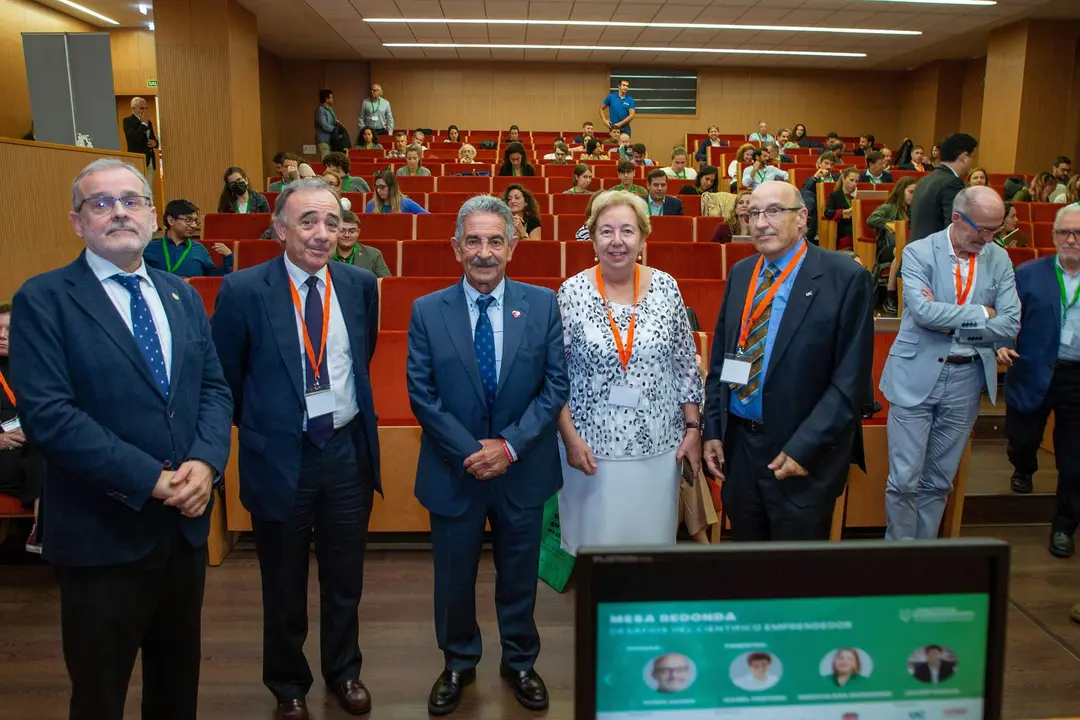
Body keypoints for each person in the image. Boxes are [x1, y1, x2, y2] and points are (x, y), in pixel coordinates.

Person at [9, 158, 233, 720]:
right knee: (99, 694)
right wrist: (153, 480)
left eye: (131, 201)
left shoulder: (180, 293)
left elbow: (213, 388)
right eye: (100, 203)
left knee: (175, 686)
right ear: (77, 221)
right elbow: (50, 417)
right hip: (101, 532)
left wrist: (205, 464)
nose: (118, 213)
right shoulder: (45, 299)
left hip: (183, 529)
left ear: (153, 217)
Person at [211, 178, 382, 720]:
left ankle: (344, 670)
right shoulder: (242, 290)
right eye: (308, 221)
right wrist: (270, 427)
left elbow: (362, 357)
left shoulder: (358, 286)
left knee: (344, 578)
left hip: (346, 452)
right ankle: (287, 683)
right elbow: (225, 379)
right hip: (279, 456)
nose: (321, 233)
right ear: (279, 227)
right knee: (282, 583)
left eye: (332, 222)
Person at [406, 195, 568, 715]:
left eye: (495, 241)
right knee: (453, 577)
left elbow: (555, 386)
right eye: (473, 241)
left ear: (513, 246)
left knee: (519, 575)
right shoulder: (428, 310)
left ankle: (520, 660)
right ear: (456, 247)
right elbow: (421, 393)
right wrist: (471, 451)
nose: (484, 252)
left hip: (521, 469)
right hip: (455, 471)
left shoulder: (542, 304)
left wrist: (510, 447)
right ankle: (458, 661)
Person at [702, 181, 874, 541]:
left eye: (773, 211)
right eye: (752, 213)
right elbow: (721, 360)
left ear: (802, 219)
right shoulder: (743, 273)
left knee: (795, 578)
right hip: (741, 452)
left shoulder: (844, 278)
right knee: (748, 568)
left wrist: (803, 449)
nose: (760, 223)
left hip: (800, 459)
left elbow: (850, 381)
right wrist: (714, 430)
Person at [557, 190, 704, 552]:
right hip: (590, 451)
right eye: (606, 231)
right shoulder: (571, 292)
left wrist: (693, 428)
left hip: (659, 448)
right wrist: (570, 439)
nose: (617, 241)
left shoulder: (667, 288)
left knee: (651, 548)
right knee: (597, 553)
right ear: (592, 238)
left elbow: (685, 364)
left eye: (627, 230)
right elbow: (552, 375)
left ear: (642, 237)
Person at [880, 186, 1020, 540]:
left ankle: (923, 559)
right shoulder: (918, 253)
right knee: (904, 480)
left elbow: (1010, 323)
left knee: (939, 481)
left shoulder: (999, 258)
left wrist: (960, 324)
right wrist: (983, 313)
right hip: (914, 375)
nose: (988, 239)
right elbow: (925, 314)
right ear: (958, 219)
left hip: (966, 379)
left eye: (995, 231)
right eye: (983, 230)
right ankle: (896, 558)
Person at [998, 205, 1080, 558]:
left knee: (1075, 460)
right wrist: (1001, 342)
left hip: (1076, 378)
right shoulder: (1028, 274)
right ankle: (1024, 465)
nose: (1071, 240)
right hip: (1032, 370)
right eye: (1065, 233)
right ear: (1053, 235)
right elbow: (1006, 317)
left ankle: (1064, 525)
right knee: (1022, 436)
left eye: (1078, 234)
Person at [0, 302, 44, 551]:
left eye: (9, 330)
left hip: (33, 450)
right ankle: (42, 528)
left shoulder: (35, 369)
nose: (2, 336)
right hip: (3, 453)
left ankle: (41, 530)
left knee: (47, 456)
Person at [909, 133, 978, 242]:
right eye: (973, 157)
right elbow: (955, 229)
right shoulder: (952, 183)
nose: (972, 162)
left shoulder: (925, 179)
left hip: (917, 252)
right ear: (964, 157)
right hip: (935, 254)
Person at [868, 176, 918, 315]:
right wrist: (890, 225)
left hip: (909, 247)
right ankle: (890, 295)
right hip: (888, 248)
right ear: (901, 191)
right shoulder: (889, 208)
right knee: (901, 252)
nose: (913, 196)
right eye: (911, 192)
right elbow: (872, 219)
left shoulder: (915, 211)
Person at [144, 199, 232, 277]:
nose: (194, 225)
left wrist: (228, 257)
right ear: (171, 220)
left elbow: (214, 281)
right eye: (188, 220)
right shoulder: (148, 249)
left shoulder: (199, 249)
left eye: (195, 221)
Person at [334, 210, 392, 278]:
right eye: (342, 230)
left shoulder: (374, 255)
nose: (347, 235)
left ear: (358, 232)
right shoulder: (323, 254)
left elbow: (386, 284)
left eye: (352, 231)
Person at [801, 151, 839, 245]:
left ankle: (806, 220)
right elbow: (804, 193)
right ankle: (807, 219)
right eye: (826, 163)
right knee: (808, 194)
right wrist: (815, 177)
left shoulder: (838, 179)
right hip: (816, 207)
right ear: (819, 164)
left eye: (832, 164)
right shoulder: (812, 179)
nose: (829, 167)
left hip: (833, 206)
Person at [824, 168, 861, 250]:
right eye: (851, 180)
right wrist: (844, 211)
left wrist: (855, 198)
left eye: (856, 181)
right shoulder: (835, 195)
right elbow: (827, 212)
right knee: (850, 229)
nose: (854, 184)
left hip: (858, 225)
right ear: (844, 179)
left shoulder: (859, 195)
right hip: (842, 226)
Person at [122, 96, 158, 179]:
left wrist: (155, 143)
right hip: (137, 161)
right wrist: (143, 124)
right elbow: (135, 137)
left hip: (150, 160)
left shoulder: (149, 123)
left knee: (148, 188)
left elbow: (153, 138)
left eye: (146, 108)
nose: (144, 111)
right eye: (141, 108)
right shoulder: (127, 121)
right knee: (139, 187)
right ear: (133, 108)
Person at [314, 89, 337, 159]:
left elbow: (333, 122)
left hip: (331, 140)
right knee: (326, 162)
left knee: (331, 162)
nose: (333, 99)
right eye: (331, 97)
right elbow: (324, 125)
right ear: (327, 99)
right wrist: (335, 129)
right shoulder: (321, 110)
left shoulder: (330, 109)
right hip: (323, 141)